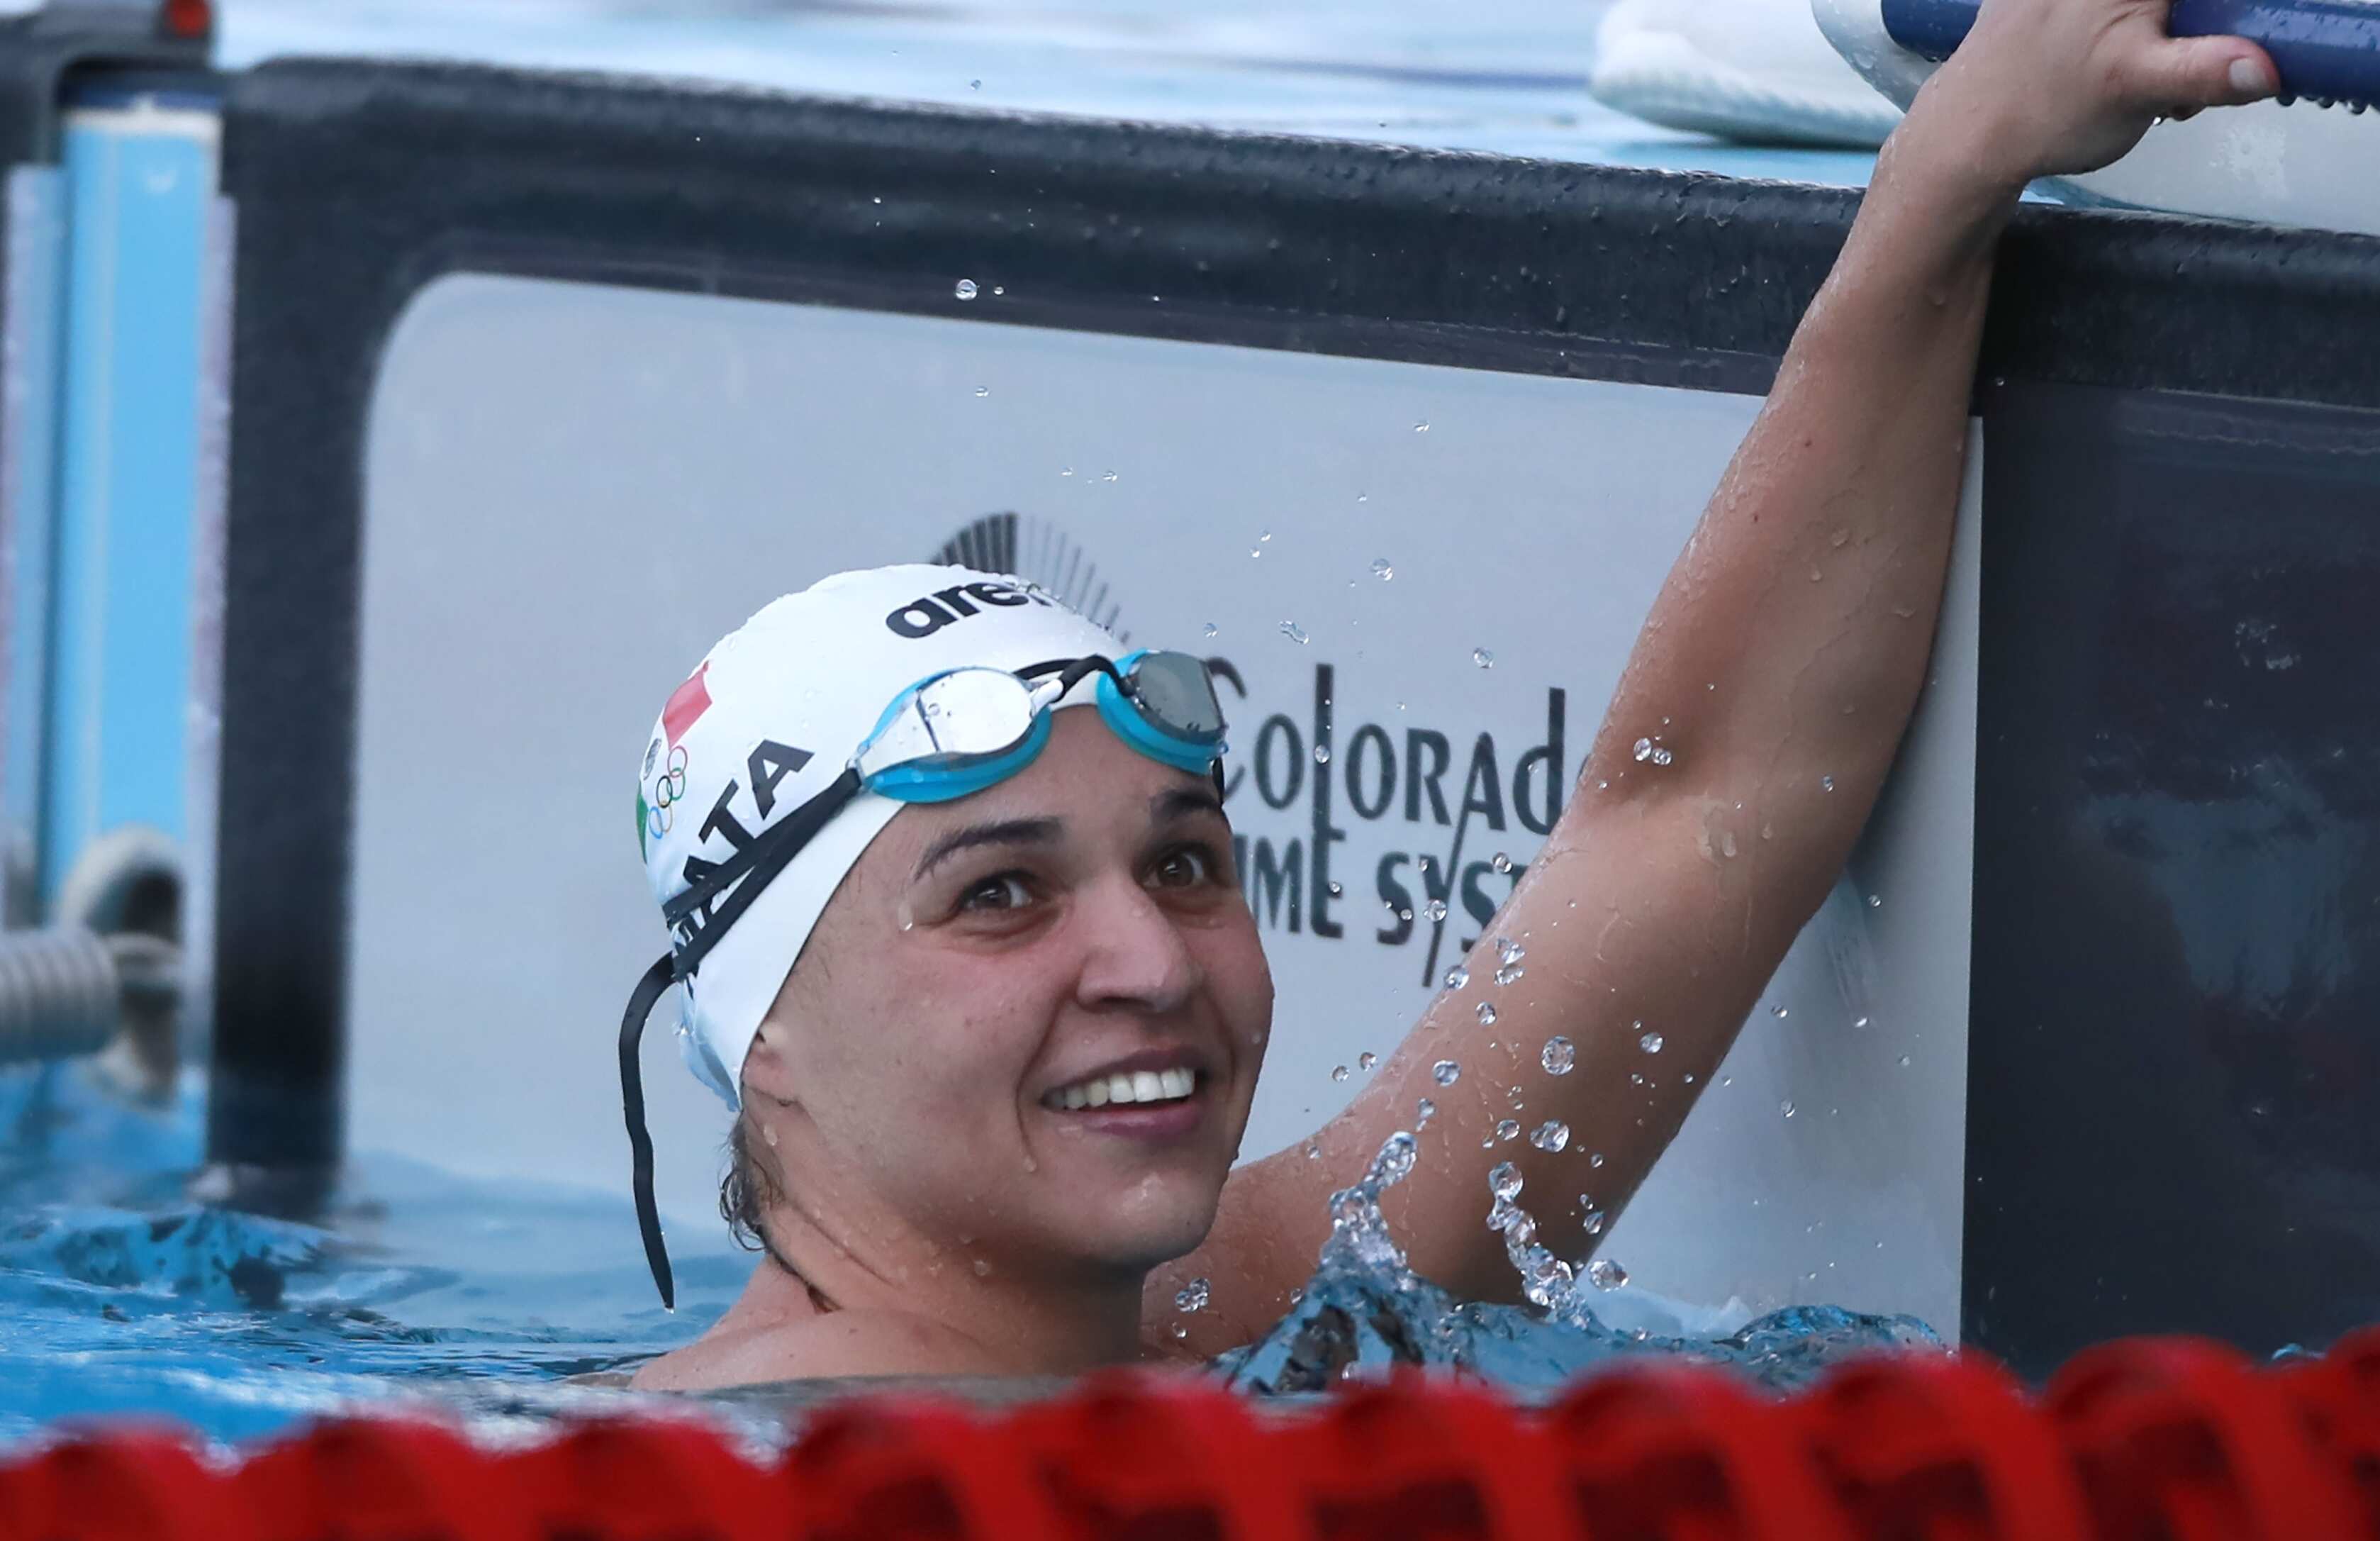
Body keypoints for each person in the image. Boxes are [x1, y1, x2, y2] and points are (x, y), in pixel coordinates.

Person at [618, 0, 2279, 1391]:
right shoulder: (705, 1503)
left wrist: (1952, 169)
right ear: (767, 1040)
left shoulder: (1259, 1306)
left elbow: (1703, 806)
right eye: (1001, 897)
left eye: (1185, 862)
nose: (1147, 964)